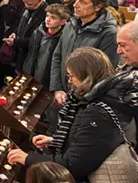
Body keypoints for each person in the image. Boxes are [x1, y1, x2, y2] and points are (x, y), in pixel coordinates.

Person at [9, 48, 136, 182]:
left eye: (72, 76)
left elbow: (72, 165)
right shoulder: (104, 98)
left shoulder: (98, 112)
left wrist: (27, 158)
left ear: (87, 76)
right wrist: (57, 141)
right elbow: (92, 144)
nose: (70, 81)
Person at [50, 0, 119, 107]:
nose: (75, 5)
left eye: (82, 2)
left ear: (98, 6)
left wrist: (77, 97)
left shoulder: (109, 33)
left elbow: (104, 74)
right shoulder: (70, 24)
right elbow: (57, 55)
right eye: (76, 0)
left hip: (84, 101)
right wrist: (57, 88)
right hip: (62, 94)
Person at [22, 4, 69, 89]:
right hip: (32, 71)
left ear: (62, 22)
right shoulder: (38, 32)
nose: (48, 19)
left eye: (53, 18)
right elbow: (30, 53)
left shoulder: (63, 38)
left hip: (48, 77)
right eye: (47, 16)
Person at [3, 0, 47, 71]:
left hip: (33, 56)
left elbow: (39, 39)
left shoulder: (46, 14)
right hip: (20, 52)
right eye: (24, 2)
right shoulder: (27, 9)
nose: (26, 5)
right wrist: (14, 33)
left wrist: (16, 42)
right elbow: (20, 24)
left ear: (39, 1)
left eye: (29, 4)